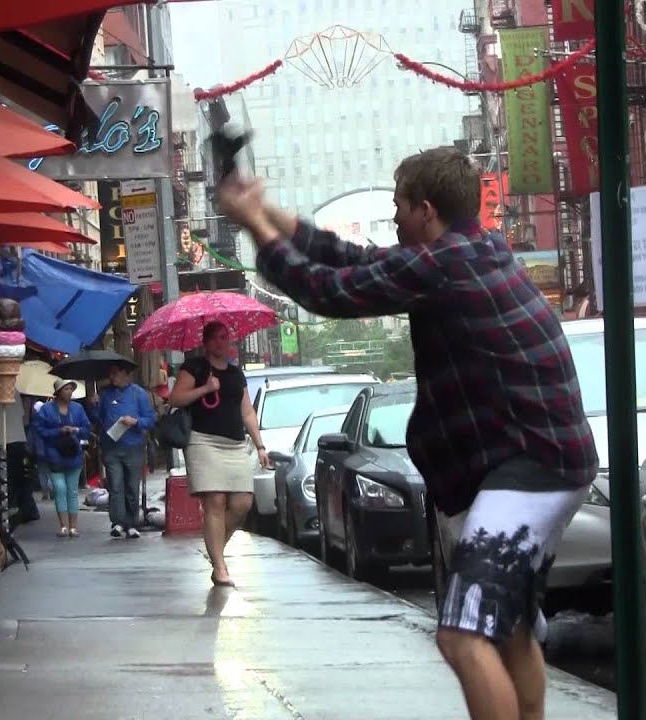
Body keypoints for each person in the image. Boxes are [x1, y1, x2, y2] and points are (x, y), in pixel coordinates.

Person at [217, 147, 598, 720]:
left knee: (462, 634)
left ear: (424, 209)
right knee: (509, 630)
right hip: (542, 462)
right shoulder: (473, 250)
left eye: (398, 206)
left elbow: (328, 291)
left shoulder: (443, 265)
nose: (393, 219)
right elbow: (354, 259)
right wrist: (274, 214)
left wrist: (254, 227)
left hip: (530, 468)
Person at [169, 322, 272, 587]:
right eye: (214, 338)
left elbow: (247, 411)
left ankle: (215, 548)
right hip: (203, 442)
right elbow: (176, 399)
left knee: (242, 504)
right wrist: (205, 388)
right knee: (214, 501)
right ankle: (219, 566)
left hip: (235, 445)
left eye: (224, 338)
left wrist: (259, 445)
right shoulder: (195, 368)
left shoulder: (236, 374)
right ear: (206, 342)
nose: (220, 343)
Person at [92, 361, 156, 539]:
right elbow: (98, 419)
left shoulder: (138, 394)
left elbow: (150, 419)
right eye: (110, 374)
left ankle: (131, 522)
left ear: (125, 374)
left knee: (131, 485)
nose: (112, 377)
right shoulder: (104, 395)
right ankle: (118, 521)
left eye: (116, 373)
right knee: (115, 484)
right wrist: (94, 405)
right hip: (111, 446)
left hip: (133, 445)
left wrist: (135, 422)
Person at [33, 378, 91, 537]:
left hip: (74, 453)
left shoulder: (78, 408)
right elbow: (39, 430)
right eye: (66, 389)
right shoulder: (46, 409)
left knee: (72, 490)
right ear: (58, 392)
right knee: (60, 489)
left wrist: (75, 430)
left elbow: (86, 428)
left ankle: (73, 526)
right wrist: (57, 431)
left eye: (71, 389)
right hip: (54, 453)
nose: (70, 392)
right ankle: (63, 526)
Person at [0, 381, 38, 524]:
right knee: (20, 476)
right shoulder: (14, 388)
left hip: (3, 439)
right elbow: (22, 414)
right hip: (18, 437)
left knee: (7, 477)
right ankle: (27, 509)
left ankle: (10, 508)